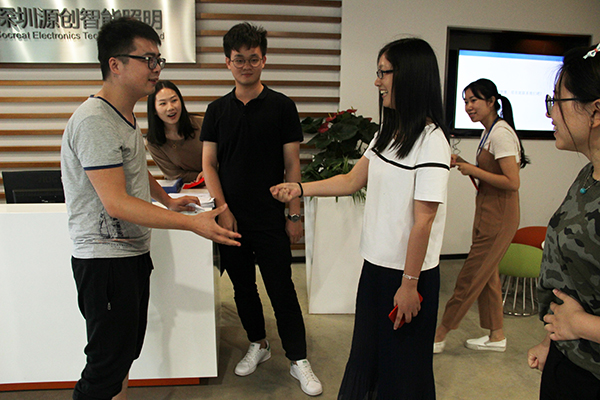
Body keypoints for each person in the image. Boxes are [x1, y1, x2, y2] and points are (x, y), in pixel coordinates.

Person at [60, 17, 240, 400]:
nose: (156, 69)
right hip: (105, 261)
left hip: (130, 254)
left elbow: (134, 170)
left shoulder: (123, 115)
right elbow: (116, 202)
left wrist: (167, 199)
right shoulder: (94, 121)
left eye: (159, 59)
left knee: (122, 358)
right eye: (148, 59)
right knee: (104, 369)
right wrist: (190, 224)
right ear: (115, 64)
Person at [272, 37, 451, 400]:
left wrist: (409, 285)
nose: (377, 81)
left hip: (407, 276)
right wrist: (299, 189)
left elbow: (424, 221)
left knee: (401, 370)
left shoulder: (432, 142)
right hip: (376, 268)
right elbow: (352, 180)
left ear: (409, 76)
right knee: (368, 357)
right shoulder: (389, 133)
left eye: (384, 72)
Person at [200, 22, 322, 397]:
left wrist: (294, 214)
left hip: (271, 216)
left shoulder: (283, 106)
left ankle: (298, 358)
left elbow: (292, 165)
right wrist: (223, 209)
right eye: (239, 59)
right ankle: (259, 343)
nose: (246, 66)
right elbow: (208, 164)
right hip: (231, 219)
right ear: (227, 62)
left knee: (282, 289)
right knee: (242, 289)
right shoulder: (216, 110)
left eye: (253, 59)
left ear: (264, 60)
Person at [433, 78, 529, 354]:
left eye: (474, 100)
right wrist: (464, 164)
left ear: (491, 101)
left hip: (499, 216)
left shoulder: (501, 134)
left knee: (471, 274)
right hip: (487, 211)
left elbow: (512, 182)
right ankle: (496, 335)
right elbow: (492, 174)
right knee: (488, 275)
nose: (468, 107)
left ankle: (439, 334)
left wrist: (473, 170)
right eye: (465, 101)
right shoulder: (489, 131)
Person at [527, 43, 600, 400]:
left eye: (556, 102)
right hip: (569, 357)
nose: (550, 114)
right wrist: (552, 339)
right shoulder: (588, 175)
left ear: (596, 111)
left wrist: (581, 325)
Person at [146, 80, 204, 184]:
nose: (170, 108)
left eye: (174, 100)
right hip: (185, 189)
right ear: (154, 110)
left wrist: (210, 173)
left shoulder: (202, 124)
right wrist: (205, 176)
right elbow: (174, 175)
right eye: (163, 103)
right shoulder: (153, 142)